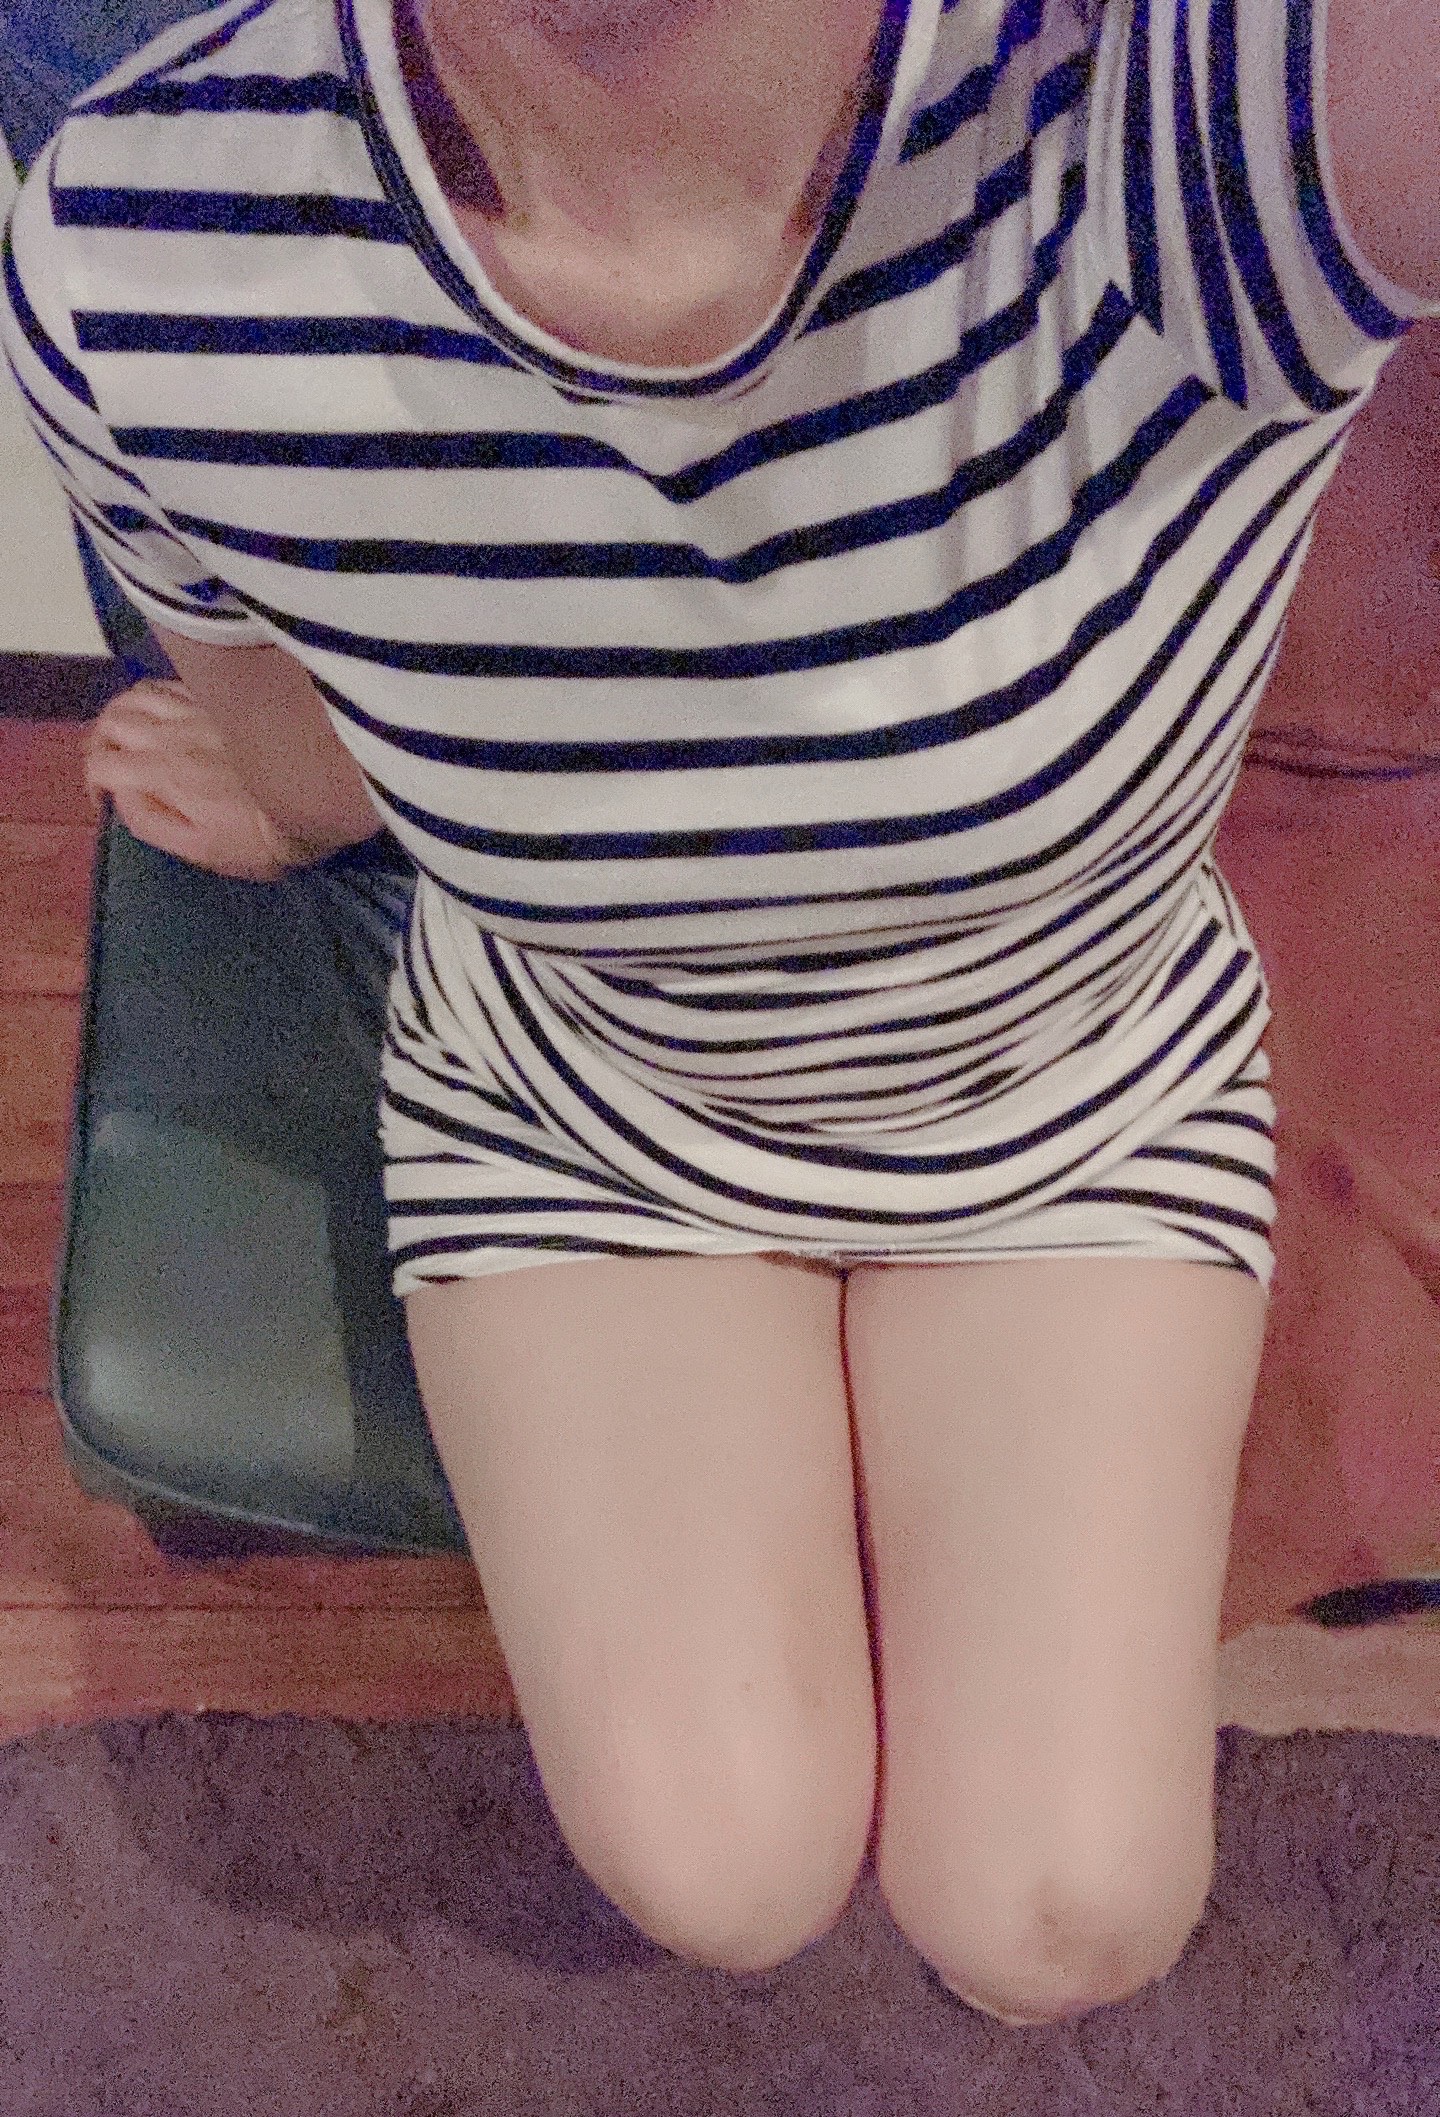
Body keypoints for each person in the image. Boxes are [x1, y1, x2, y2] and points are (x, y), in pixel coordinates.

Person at [8, 0, 1439, 2029]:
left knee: (1060, 1908)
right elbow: (302, 720)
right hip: (587, 1093)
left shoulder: (1187, 103)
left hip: (1066, 1085)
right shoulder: (147, 240)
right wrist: (293, 794)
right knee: (723, 1863)